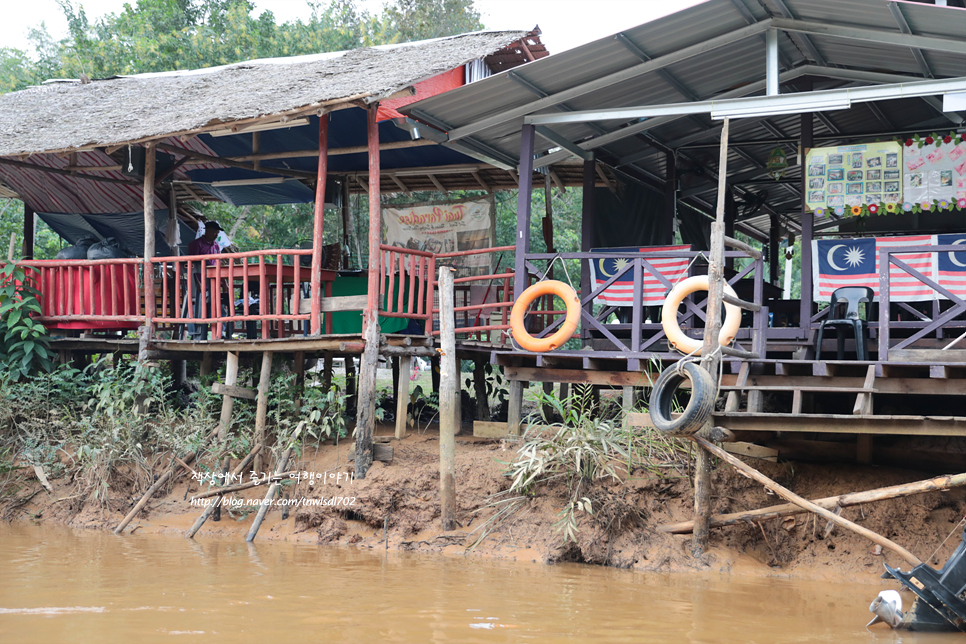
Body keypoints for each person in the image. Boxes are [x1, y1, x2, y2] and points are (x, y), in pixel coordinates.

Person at [187, 221, 226, 340]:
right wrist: (197, 283)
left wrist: (224, 283)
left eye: (217, 232)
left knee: (219, 306)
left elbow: (218, 265)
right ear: (207, 230)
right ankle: (194, 333)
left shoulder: (216, 246)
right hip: (198, 282)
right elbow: (191, 265)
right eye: (214, 232)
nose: (215, 234)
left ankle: (220, 332)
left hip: (212, 283)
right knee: (196, 307)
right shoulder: (196, 244)